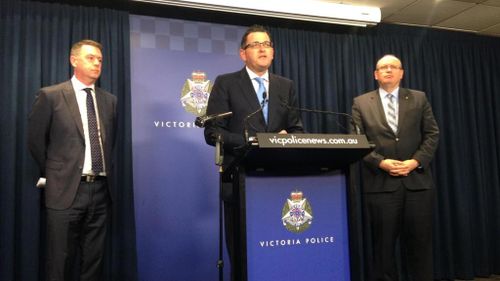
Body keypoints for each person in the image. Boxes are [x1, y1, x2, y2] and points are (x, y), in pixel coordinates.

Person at [203, 25, 303, 281]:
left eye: (267, 44)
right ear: (242, 53)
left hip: (278, 181)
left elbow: (296, 129)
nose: (262, 48)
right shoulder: (226, 83)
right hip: (240, 180)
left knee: (279, 251)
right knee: (243, 256)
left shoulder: (285, 86)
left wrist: (287, 139)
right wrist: (254, 141)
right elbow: (213, 132)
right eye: (255, 44)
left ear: (273, 53)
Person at [28, 39, 117, 281]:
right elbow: (36, 141)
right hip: (65, 190)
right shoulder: (51, 95)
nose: (97, 63)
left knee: (93, 262)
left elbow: (110, 143)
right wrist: (56, 173)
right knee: (60, 261)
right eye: (91, 58)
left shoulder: (109, 101)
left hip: (100, 190)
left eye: (100, 59)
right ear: (73, 60)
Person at [351, 54, 439, 281]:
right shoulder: (360, 103)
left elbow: (432, 134)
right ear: (375, 75)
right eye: (383, 67)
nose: (388, 70)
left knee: (420, 248)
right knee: (383, 250)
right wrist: (380, 162)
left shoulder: (419, 98)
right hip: (381, 187)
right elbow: (357, 141)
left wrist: (416, 161)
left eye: (393, 67)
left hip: (418, 185)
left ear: (402, 73)